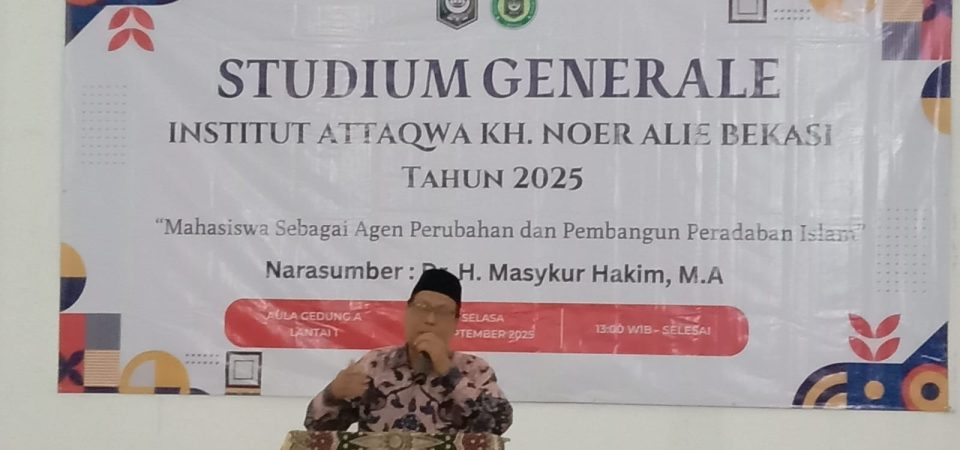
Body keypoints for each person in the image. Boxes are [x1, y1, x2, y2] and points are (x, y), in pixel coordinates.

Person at [304, 269, 513, 435]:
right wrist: (333, 394)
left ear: (455, 322)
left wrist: (448, 372)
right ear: (408, 311)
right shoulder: (375, 364)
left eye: (442, 312)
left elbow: (498, 424)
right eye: (422, 307)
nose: (430, 319)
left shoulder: (474, 369)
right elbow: (316, 429)